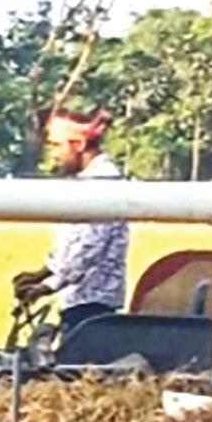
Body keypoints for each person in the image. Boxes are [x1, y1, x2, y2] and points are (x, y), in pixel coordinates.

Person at [43, 110, 127, 328]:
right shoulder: (89, 181)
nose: (54, 154)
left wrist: (48, 285)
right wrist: (43, 272)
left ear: (79, 145)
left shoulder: (102, 182)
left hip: (92, 304)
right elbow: (74, 244)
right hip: (79, 299)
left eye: (57, 145)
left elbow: (88, 249)